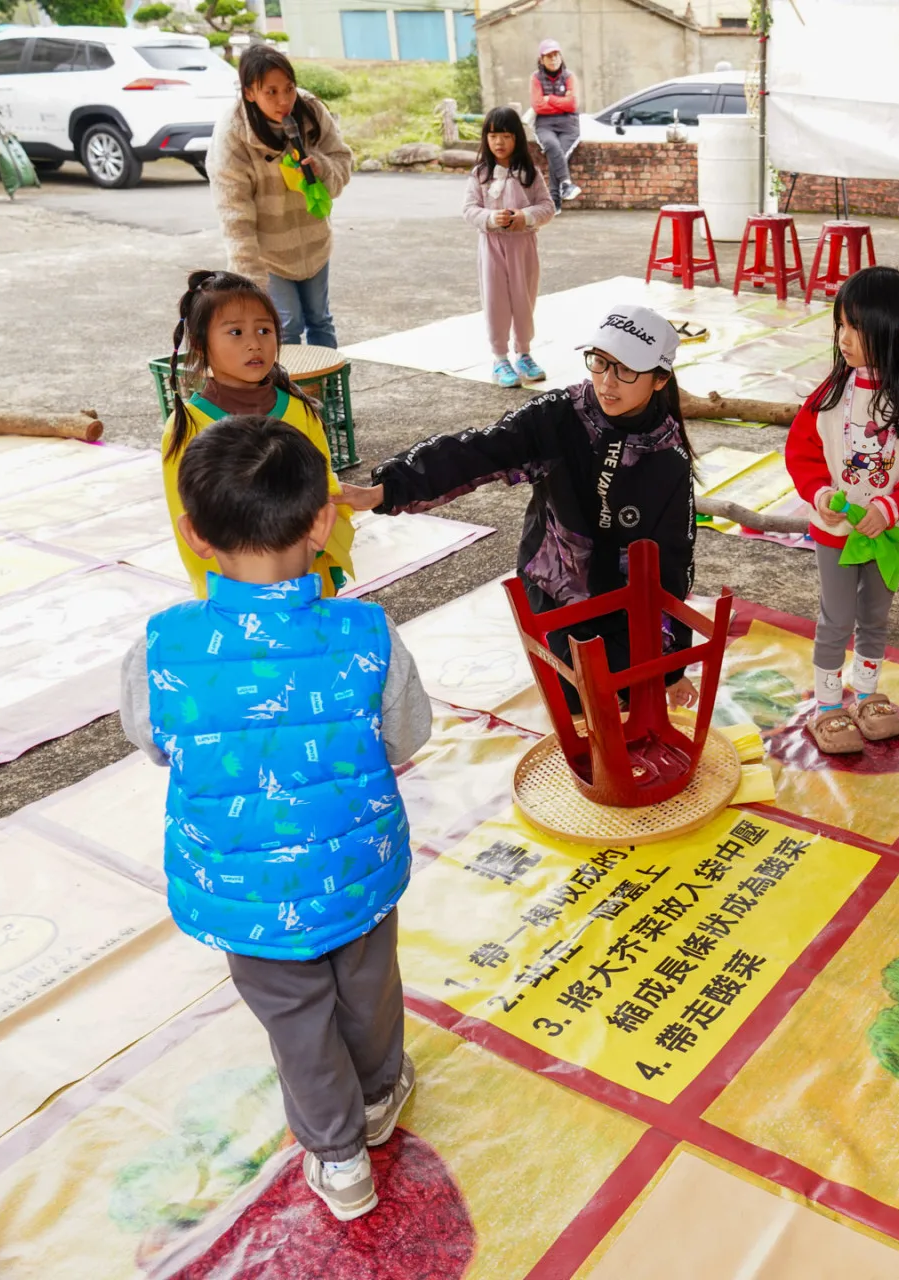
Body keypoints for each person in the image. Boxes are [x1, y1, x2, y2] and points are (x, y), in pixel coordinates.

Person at [119, 417, 433, 1223]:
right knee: (368, 991)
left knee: (297, 1021)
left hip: (243, 890)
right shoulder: (368, 633)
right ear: (323, 520)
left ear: (192, 534)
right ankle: (376, 1096)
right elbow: (407, 736)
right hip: (356, 870)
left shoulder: (163, 646)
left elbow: (155, 743)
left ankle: (339, 1159)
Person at [340, 306, 698, 710]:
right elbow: (478, 450)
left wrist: (672, 666)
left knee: (634, 696)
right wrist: (388, 489)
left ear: (660, 379)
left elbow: (673, 563)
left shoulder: (668, 458)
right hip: (556, 586)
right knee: (579, 703)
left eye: (626, 369)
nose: (607, 381)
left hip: (623, 600)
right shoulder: (560, 416)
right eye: (600, 362)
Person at [784, 266, 899, 755]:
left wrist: (892, 504)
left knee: (875, 617)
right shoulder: (829, 395)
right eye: (840, 325)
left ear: (897, 333)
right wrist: (818, 493)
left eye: (856, 327)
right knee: (836, 617)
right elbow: (802, 453)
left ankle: (868, 692)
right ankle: (829, 705)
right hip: (835, 533)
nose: (843, 338)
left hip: (887, 534)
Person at [162, 269, 356, 598]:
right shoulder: (187, 427)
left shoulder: (299, 408)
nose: (255, 343)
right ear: (200, 343)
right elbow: (188, 518)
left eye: (265, 330)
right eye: (235, 332)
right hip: (235, 594)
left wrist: (322, 559)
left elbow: (327, 490)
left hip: (307, 580)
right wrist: (219, 592)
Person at [211, 45, 353, 347]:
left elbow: (341, 159)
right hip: (269, 254)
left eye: (288, 88)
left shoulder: (311, 111)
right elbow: (234, 213)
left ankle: (325, 393)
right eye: (271, 92)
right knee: (286, 325)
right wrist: (249, 280)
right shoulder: (233, 135)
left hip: (313, 242)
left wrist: (322, 166)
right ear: (249, 92)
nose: (284, 100)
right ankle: (291, 393)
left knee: (320, 319)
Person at [464, 106, 554, 389]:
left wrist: (524, 216)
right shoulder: (479, 174)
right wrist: (491, 218)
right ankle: (500, 358)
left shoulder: (529, 173)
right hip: (491, 247)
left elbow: (547, 206)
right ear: (485, 139)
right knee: (496, 301)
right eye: (493, 136)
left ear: (517, 137)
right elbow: (468, 209)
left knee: (523, 299)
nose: (499, 142)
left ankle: (524, 353)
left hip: (523, 247)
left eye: (505, 135)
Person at [531, 39, 582, 206]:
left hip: (569, 124)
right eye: (549, 56)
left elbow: (572, 104)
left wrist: (550, 99)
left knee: (557, 155)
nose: (553, 59)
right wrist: (561, 103)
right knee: (552, 146)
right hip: (545, 124)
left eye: (556, 55)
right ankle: (566, 184)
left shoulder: (569, 76)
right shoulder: (536, 78)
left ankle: (555, 201)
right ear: (541, 59)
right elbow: (538, 106)